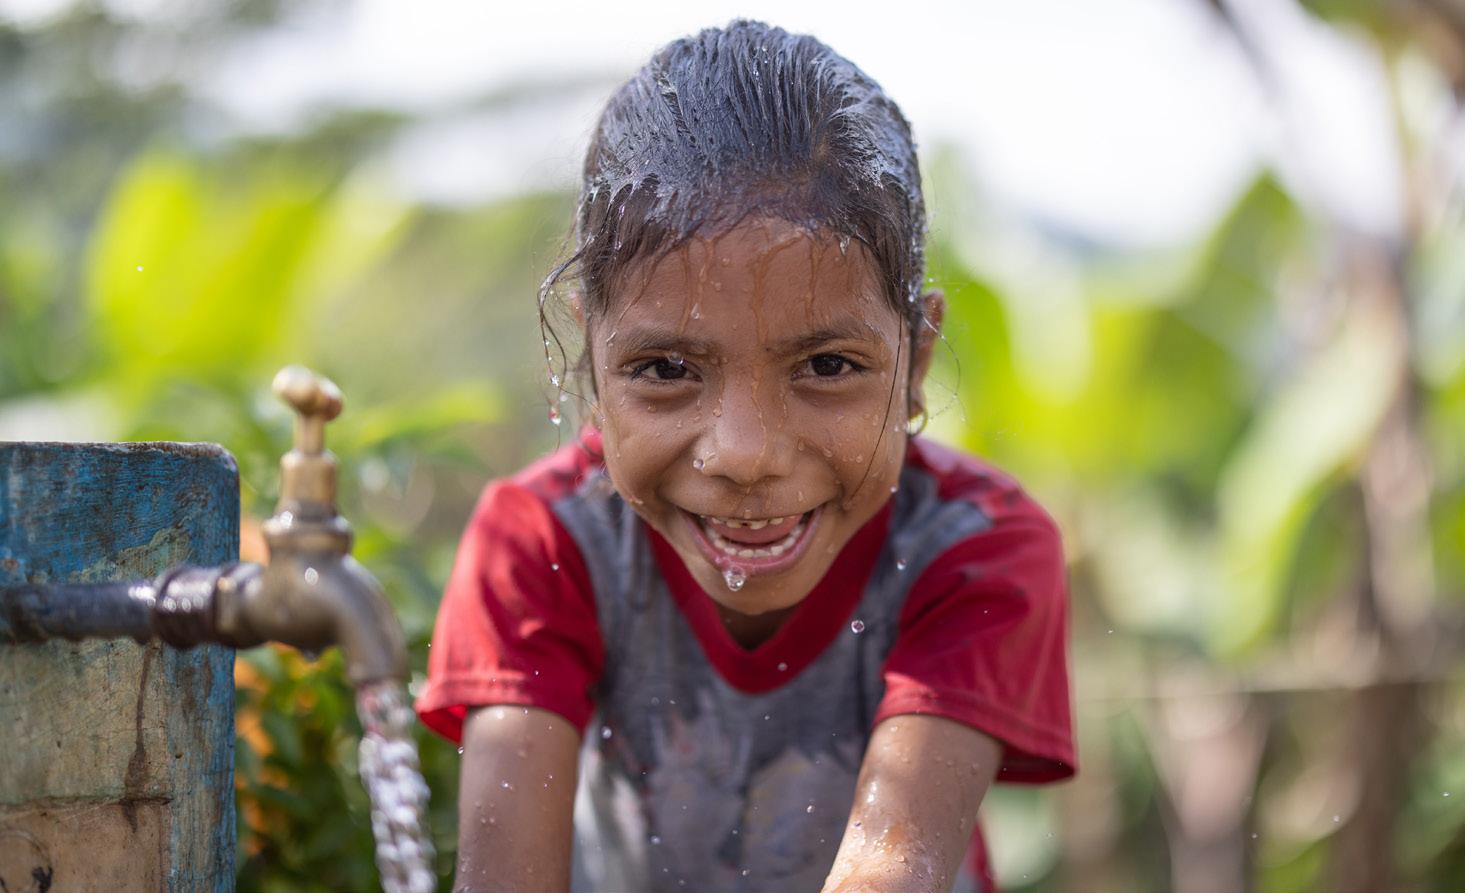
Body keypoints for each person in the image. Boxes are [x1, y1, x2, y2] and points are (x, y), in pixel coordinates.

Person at [415, 20, 1074, 893]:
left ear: (914, 360)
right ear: (592, 360)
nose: (744, 455)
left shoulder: (974, 551)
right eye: (665, 369)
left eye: (826, 366)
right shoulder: (541, 545)